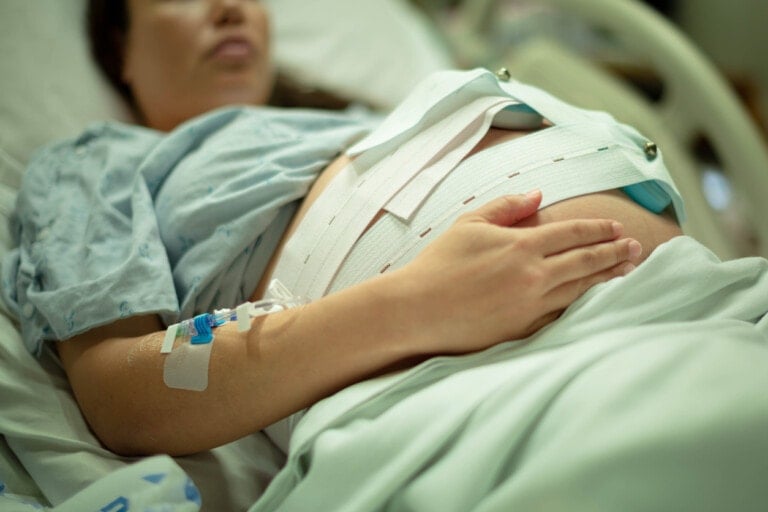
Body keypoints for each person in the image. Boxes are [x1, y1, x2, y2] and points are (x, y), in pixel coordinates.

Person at [2, 0, 681, 458]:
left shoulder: (359, 118)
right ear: (119, 50)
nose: (230, 6)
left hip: (679, 306)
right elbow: (122, 396)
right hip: (476, 399)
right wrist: (418, 307)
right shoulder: (95, 163)